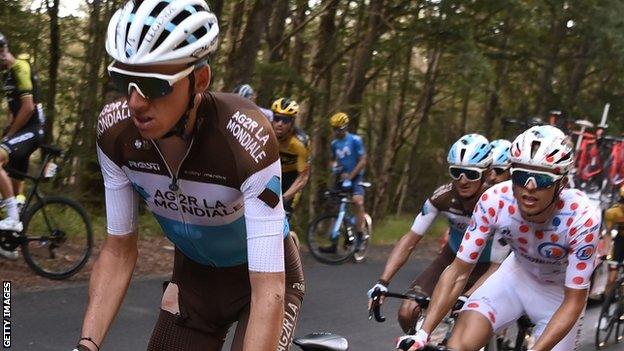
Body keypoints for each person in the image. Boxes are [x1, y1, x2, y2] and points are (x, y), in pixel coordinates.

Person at [74, 1, 304, 350]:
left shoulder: (245, 139)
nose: (136, 103)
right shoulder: (116, 134)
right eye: (125, 81)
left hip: (265, 280)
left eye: (153, 85)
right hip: (195, 280)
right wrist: (86, 345)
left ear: (199, 80)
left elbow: (267, 285)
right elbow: (119, 250)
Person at [398, 125, 601, 351]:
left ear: (562, 183)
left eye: (542, 179)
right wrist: (423, 333)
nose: (529, 187)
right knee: (458, 345)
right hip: (515, 277)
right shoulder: (495, 200)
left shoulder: (582, 218)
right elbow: (458, 272)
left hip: (559, 296)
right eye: (522, 176)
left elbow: (574, 301)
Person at [367, 133, 498, 332]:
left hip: (488, 267)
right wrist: (382, 282)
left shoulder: (499, 202)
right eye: (456, 172)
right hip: (451, 259)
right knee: (408, 312)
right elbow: (410, 240)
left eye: (471, 174)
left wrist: (468, 296)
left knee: (470, 326)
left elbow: (503, 261)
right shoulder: (442, 197)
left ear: (486, 173)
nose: (462, 180)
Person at [0, 32, 45, 259]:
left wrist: (11, 134)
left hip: (33, 130)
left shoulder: (20, 68)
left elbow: (27, 108)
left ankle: (12, 219)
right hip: (22, 131)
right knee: (11, 186)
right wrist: (8, 131)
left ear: (2, 51)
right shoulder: (8, 75)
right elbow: (14, 110)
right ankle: (11, 244)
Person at [328, 112, 367, 252]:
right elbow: (333, 159)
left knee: (358, 201)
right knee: (335, 206)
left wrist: (351, 176)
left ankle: (361, 236)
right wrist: (334, 167)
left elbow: (363, 161)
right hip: (342, 177)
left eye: (340, 129)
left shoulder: (355, 140)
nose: (337, 132)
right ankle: (334, 242)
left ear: (345, 127)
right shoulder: (334, 143)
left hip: (356, 177)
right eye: (335, 129)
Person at [270, 97, 310, 226]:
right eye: (277, 118)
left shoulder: (300, 143)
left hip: (292, 179)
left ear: (292, 123)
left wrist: (284, 198)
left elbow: (303, 178)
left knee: (283, 218)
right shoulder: (265, 134)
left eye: (285, 120)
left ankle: (288, 243)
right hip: (272, 174)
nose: (280, 123)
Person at [602, 186, 624, 304]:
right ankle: (606, 306)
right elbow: (608, 234)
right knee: (612, 278)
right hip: (620, 242)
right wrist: (605, 252)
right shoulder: (613, 212)